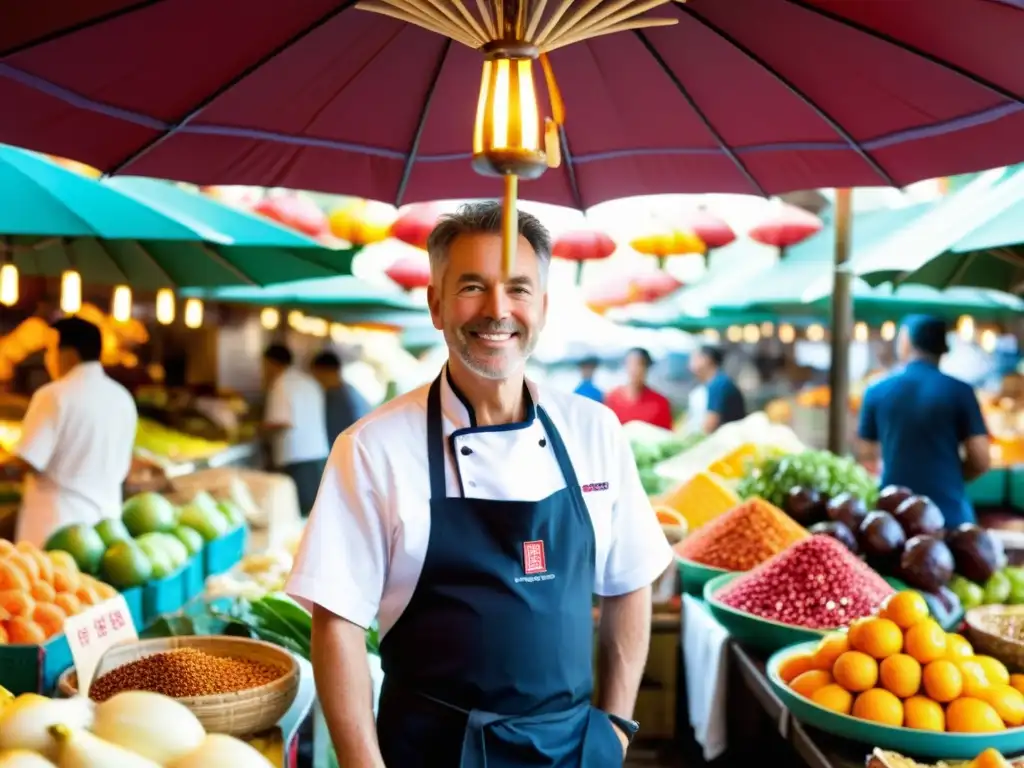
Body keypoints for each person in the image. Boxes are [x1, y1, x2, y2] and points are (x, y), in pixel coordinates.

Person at [287, 201, 672, 768]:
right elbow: (337, 624)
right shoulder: (372, 448)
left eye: (518, 288)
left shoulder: (595, 432)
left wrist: (613, 729)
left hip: (574, 752)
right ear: (436, 303)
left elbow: (629, 581)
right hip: (429, 752)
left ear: (542, 306)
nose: (497, 310)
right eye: (472, 286)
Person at [13, 317, 138, 547]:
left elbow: (27, 461)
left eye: (50, 350)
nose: (47, 358)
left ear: (69, 353)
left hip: (58, 532)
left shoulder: (53, 395)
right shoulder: (122, 398)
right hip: (106, 532)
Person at [858, 314, 990, 528]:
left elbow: (866, 457)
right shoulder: (961, 392)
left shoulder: (876, 391)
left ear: (906, 342)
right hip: (950, 516)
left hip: (893, 521)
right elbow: (981, 459)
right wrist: (950, 475)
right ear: (943, 348)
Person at [261, 344, 330, 516]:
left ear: (271, 363)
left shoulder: (281, 383)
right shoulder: (309, 381)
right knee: (313, 515)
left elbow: (282, 423)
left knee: (298, 514)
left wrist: (259, 431)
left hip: (296, 458)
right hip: (318, 455)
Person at [310, 350, 372, 446]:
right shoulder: (349, 391)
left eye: (316, 374)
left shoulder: (340, 397)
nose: (316, 380)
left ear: (324, 372)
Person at [603, 347, 673, 430]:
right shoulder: (612, 398)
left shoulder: (659, 403)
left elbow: (665, 436)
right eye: (630, 363)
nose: (634, 369)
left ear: (647, 367)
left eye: (639, 364)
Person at [688, 345, 747, 434]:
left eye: (695, 358)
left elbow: (711, 423)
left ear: (707, 360)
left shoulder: (718, 384)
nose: (690, 363)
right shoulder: (715, 382)